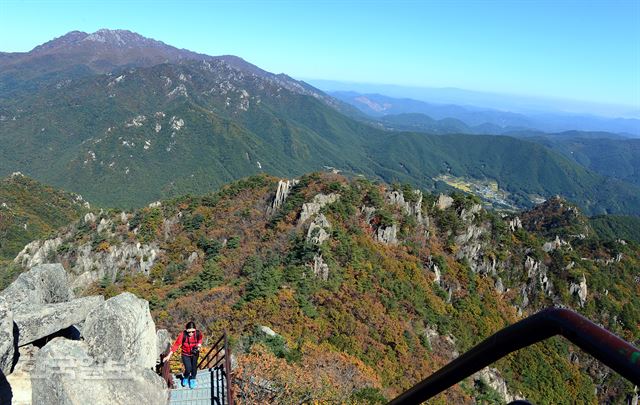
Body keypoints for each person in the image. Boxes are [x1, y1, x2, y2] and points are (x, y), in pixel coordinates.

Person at [163, 321, 204, 389]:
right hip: (185, 354)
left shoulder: (198, 333)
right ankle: (186, 377)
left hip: (195, 353)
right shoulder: (183, 335)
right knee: (188, 368)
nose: (191, 333)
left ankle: (192, 379)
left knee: (194, 368)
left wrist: (198, 346)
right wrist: (169, 355)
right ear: (186, 330)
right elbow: (176, 345)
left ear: (195, 330)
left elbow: (200, 339)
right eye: (189, 332)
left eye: (193, 331)